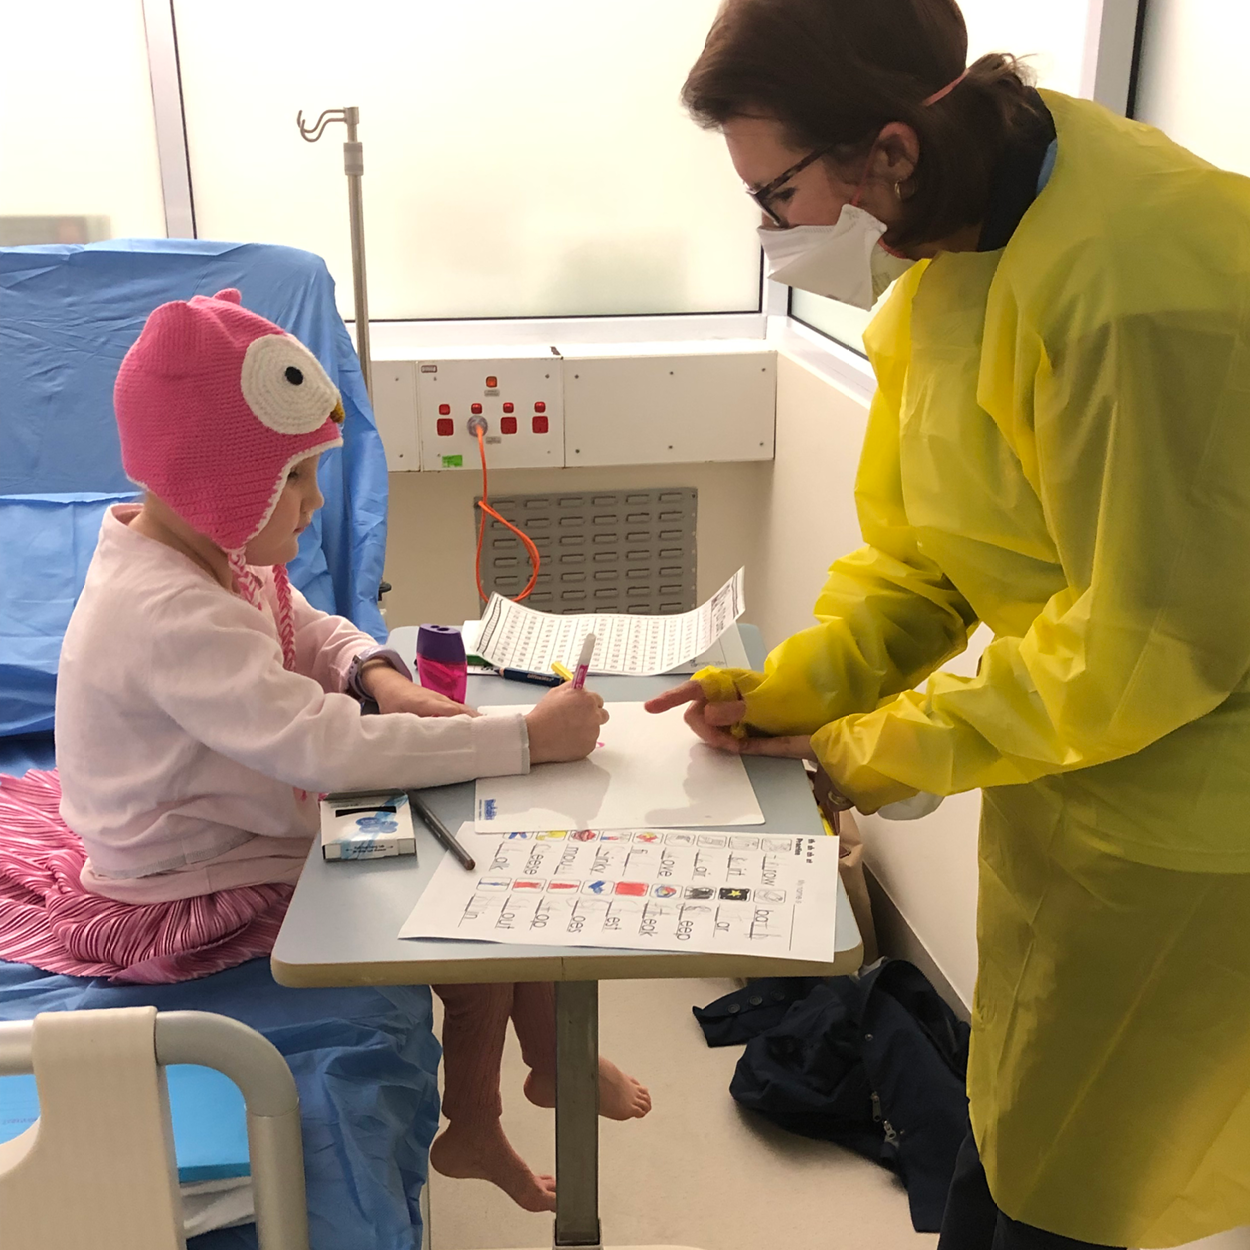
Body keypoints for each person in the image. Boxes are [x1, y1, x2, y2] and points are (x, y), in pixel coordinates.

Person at [647, 1, 1250, 1247]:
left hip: (1193, 817)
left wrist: (870, 749)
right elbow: (925, 553)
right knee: (1015, 1131)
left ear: (890, 150)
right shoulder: (956, 248)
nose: (771, 234)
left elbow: (1143, 643)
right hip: (1075, 783)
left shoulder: (1136, 291)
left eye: (776, 194)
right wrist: (796, 687)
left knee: (1080, 1192)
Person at [0, 289, 648, 1215]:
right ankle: (493, 1106)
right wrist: (522, 739)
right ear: (217, 481)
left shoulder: (205, 554)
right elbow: (326, 750)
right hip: (188, 879)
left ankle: (539, 1069)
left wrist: (377, 673)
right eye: (296, 478)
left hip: (236, 825)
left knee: (493, 872)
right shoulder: (168, 613)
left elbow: (302, 623)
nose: (313, 504)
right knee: (471, 908)